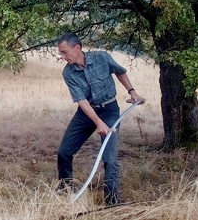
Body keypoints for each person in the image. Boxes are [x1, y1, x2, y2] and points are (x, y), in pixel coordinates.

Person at [56, 33, 145, 205]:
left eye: (65, 52)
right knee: (64, 152)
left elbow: (120, 72)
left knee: (109, 158)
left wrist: (132, 92)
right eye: (61, 53)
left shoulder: (101, 58)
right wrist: (98, 122)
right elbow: (82, 102)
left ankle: (111, 201)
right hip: (86, 113)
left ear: (77, 48)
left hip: (110, 111)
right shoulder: (68, 73)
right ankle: (66, 187)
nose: (63, 57)